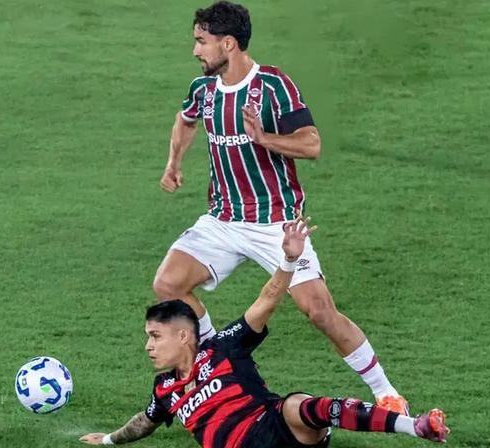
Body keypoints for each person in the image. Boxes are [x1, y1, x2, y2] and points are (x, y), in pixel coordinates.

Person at [154, 0, 407, 413]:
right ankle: (217, 362)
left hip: (276, 224)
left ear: (229, 44)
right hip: (222, 220)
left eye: (202, 42)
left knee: (319, 310)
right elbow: (185, 120)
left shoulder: (272, 86)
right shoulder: (203, 90)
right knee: (168, 285)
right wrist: (173, 164)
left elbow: (312, 144)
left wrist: (265, 138)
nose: (196, 51)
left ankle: (386, 392)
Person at [82, 215, 449, 447]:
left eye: (155, 336)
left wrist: (288, 259)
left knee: (302, 405)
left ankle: (414, 427)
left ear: (183, 336)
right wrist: (109, 441)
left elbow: (268, 299)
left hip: (276, 426)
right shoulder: (164, 390)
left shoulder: (224, 348)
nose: (148, 346)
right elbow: (143, 423)